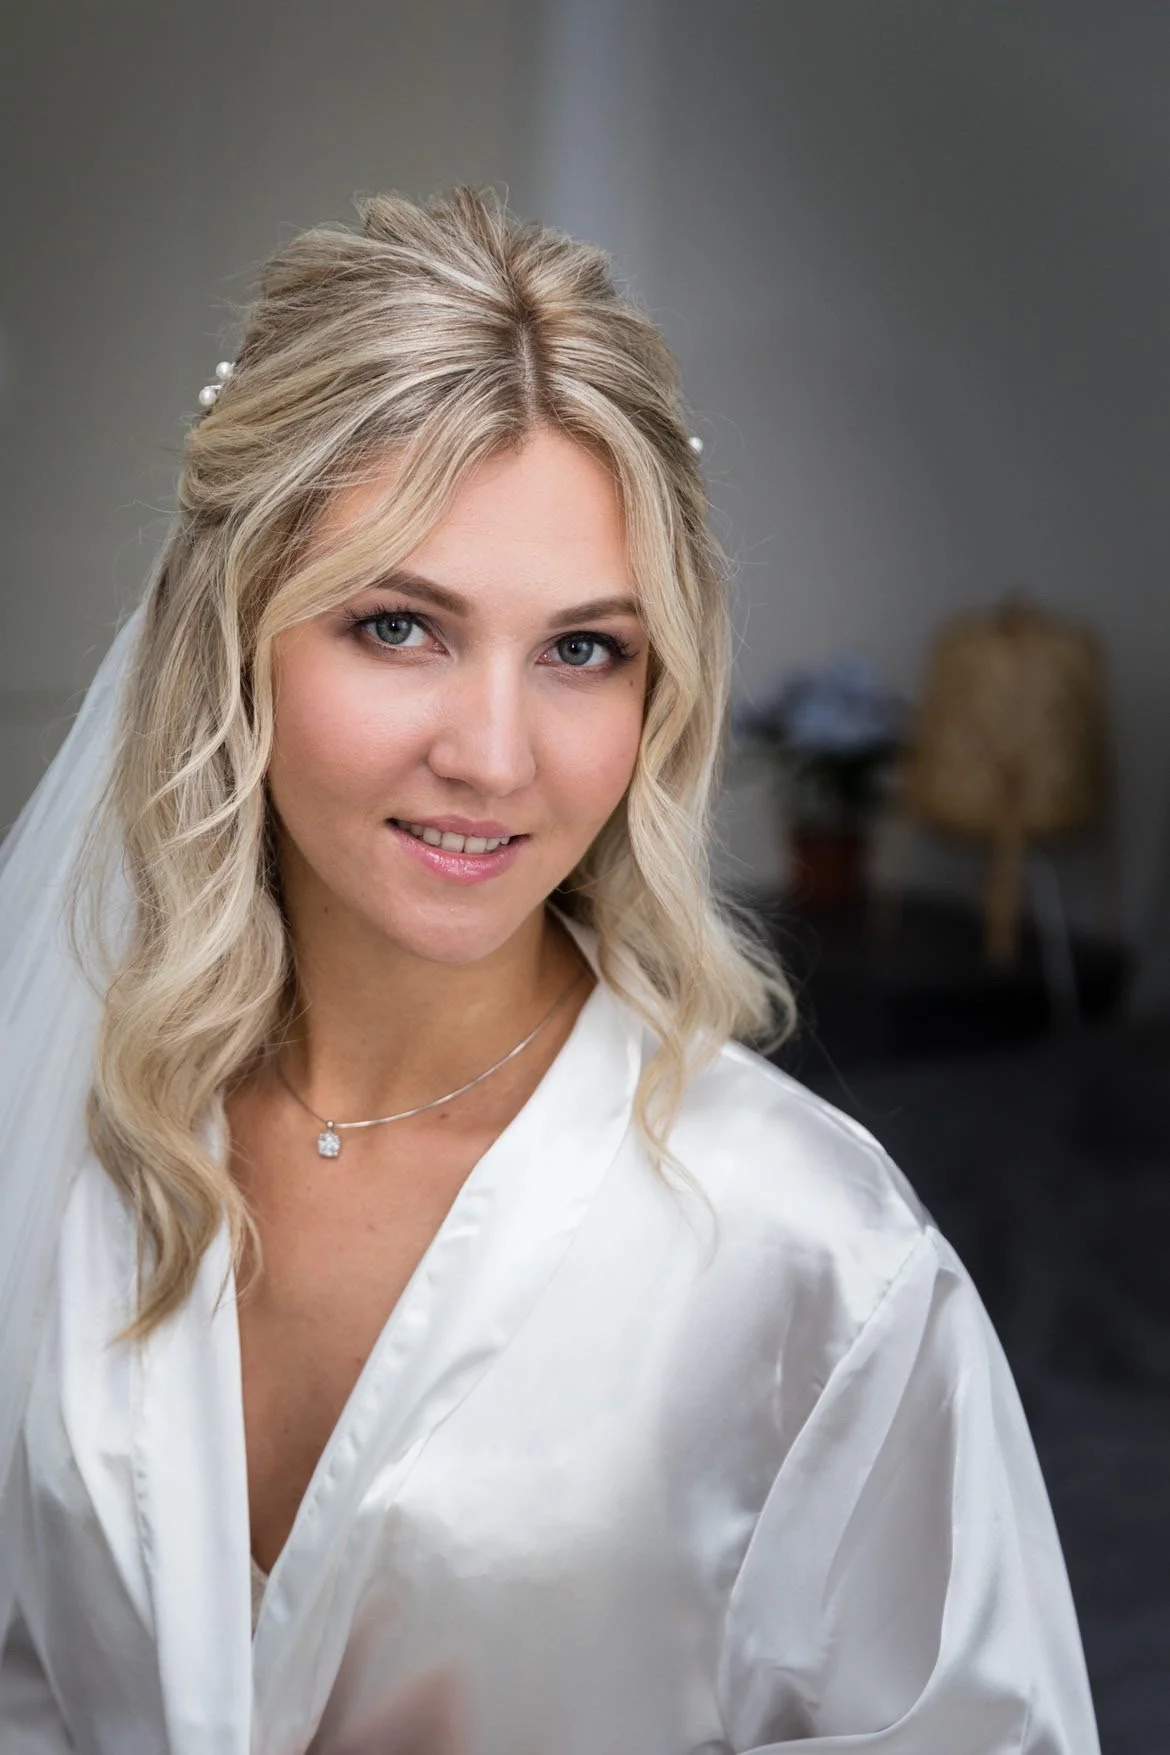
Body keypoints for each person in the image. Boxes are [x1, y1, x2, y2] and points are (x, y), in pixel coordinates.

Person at [0, 188, 1099, 1754]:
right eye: (399, 625)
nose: (495, 756)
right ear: (232, 637)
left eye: (583, 648)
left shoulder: (809, 1261)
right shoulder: (71, 1129)